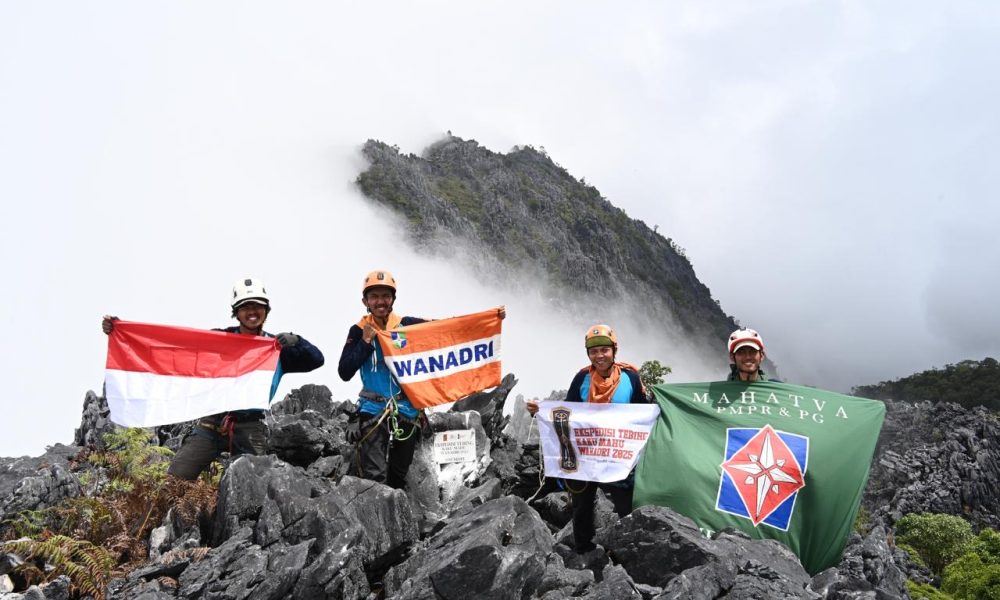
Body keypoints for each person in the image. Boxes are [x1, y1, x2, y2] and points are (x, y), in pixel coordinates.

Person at [102, 277, 325, 479]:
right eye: (245, 307)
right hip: (212, 423)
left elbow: (316, 359)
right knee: (175, 479)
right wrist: (123, 330)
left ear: (267, 310)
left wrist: (297, 340)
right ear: (236, 313)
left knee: (252, 483)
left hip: (251, 425)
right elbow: (176, 347)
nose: (252, 312)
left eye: (258, 306)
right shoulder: (219, 340)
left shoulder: (277, 348)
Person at [338, 269, 504, 489]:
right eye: (374, 296)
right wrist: (365, 342)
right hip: (372, 410)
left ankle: (394, 511)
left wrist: (488, 320)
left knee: (399, 472)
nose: (380, 301)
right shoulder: (359, 331)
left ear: (393, 299)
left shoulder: (408, 325)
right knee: (374, 475)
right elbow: (345, 371)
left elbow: (446, 330)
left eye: (385, 296)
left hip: (406, 410)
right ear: (365, 301)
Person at [526, 324, 647, 553]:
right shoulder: (582, 378)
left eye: (604, 350)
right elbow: (568, 411)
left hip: (616, 451)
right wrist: (540, 410)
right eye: (593, 351)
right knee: (581, 503)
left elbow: (642, 411)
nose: (599, 356)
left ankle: (627, 550)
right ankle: (584, 550)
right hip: (586, 451)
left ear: (614, 350)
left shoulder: (630, 377)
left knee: (624, 502)